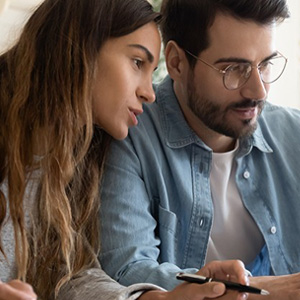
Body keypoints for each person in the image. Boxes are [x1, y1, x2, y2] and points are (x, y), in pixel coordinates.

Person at [0, 0, 251, 299]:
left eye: (151, 71)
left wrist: (156, 298)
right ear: (82, 47)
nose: (149, 92)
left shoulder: (76, 163)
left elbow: (70, 276)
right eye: (137, 62)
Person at [99, 0, 300, 298]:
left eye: (266, 64)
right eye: (234, 69)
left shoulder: (293, 133)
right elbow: (128, 270)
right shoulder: (128, 137)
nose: (258, 91)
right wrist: (264, 291)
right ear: (178, 62)